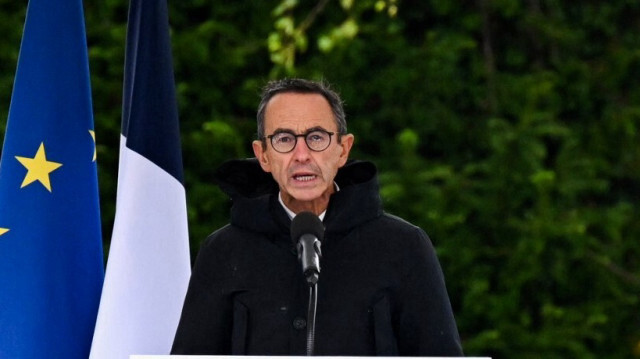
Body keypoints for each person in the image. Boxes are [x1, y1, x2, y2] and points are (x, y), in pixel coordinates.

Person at [171, 78, 463, 356]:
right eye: (284, 138)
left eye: (316, 137)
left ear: (343, 149)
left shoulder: (403, 247)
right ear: (263, 156)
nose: (301, 154)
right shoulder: (223, 251)